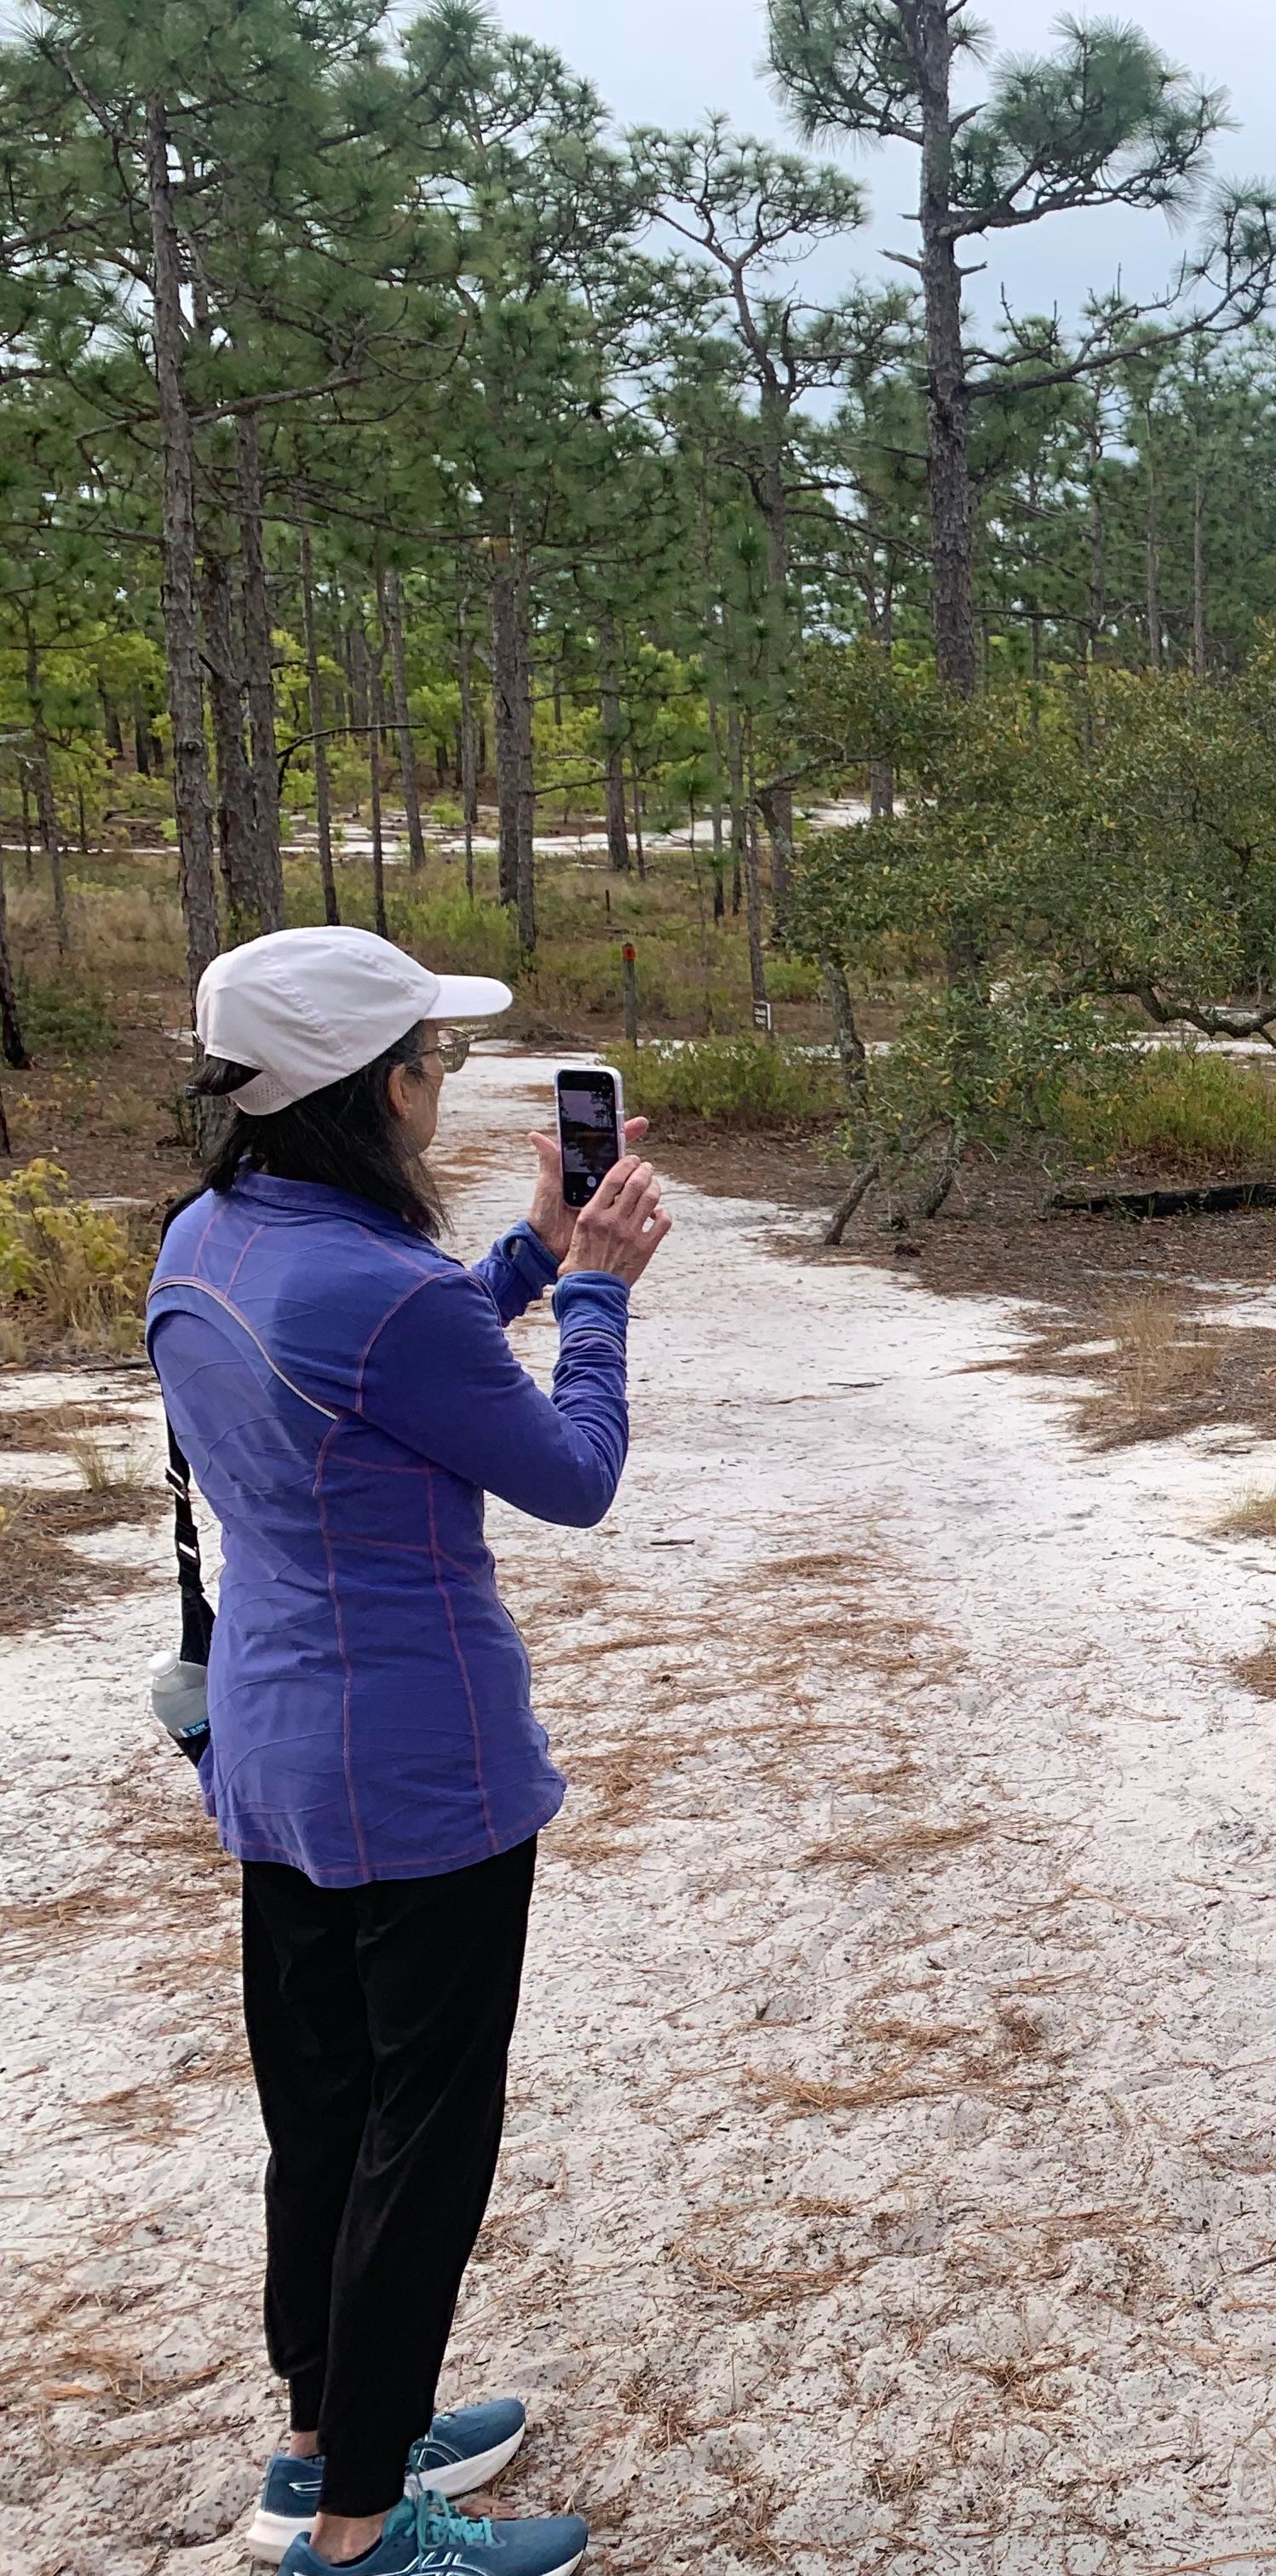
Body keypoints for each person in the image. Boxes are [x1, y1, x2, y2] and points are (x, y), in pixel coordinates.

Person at [148, 928, 672, 2576]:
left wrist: (523, 1254)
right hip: (423, 1768)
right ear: (378, 1086)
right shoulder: (371, 1285)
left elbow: (385, 1375)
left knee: (321, 2115)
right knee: (423, 2140)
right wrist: (593, 1295)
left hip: (279, 1744)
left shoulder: (212, 1236)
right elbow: (570, 1473)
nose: (442, 1088)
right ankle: (368, 2529)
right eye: (433, 1063)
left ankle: (322, 2445)